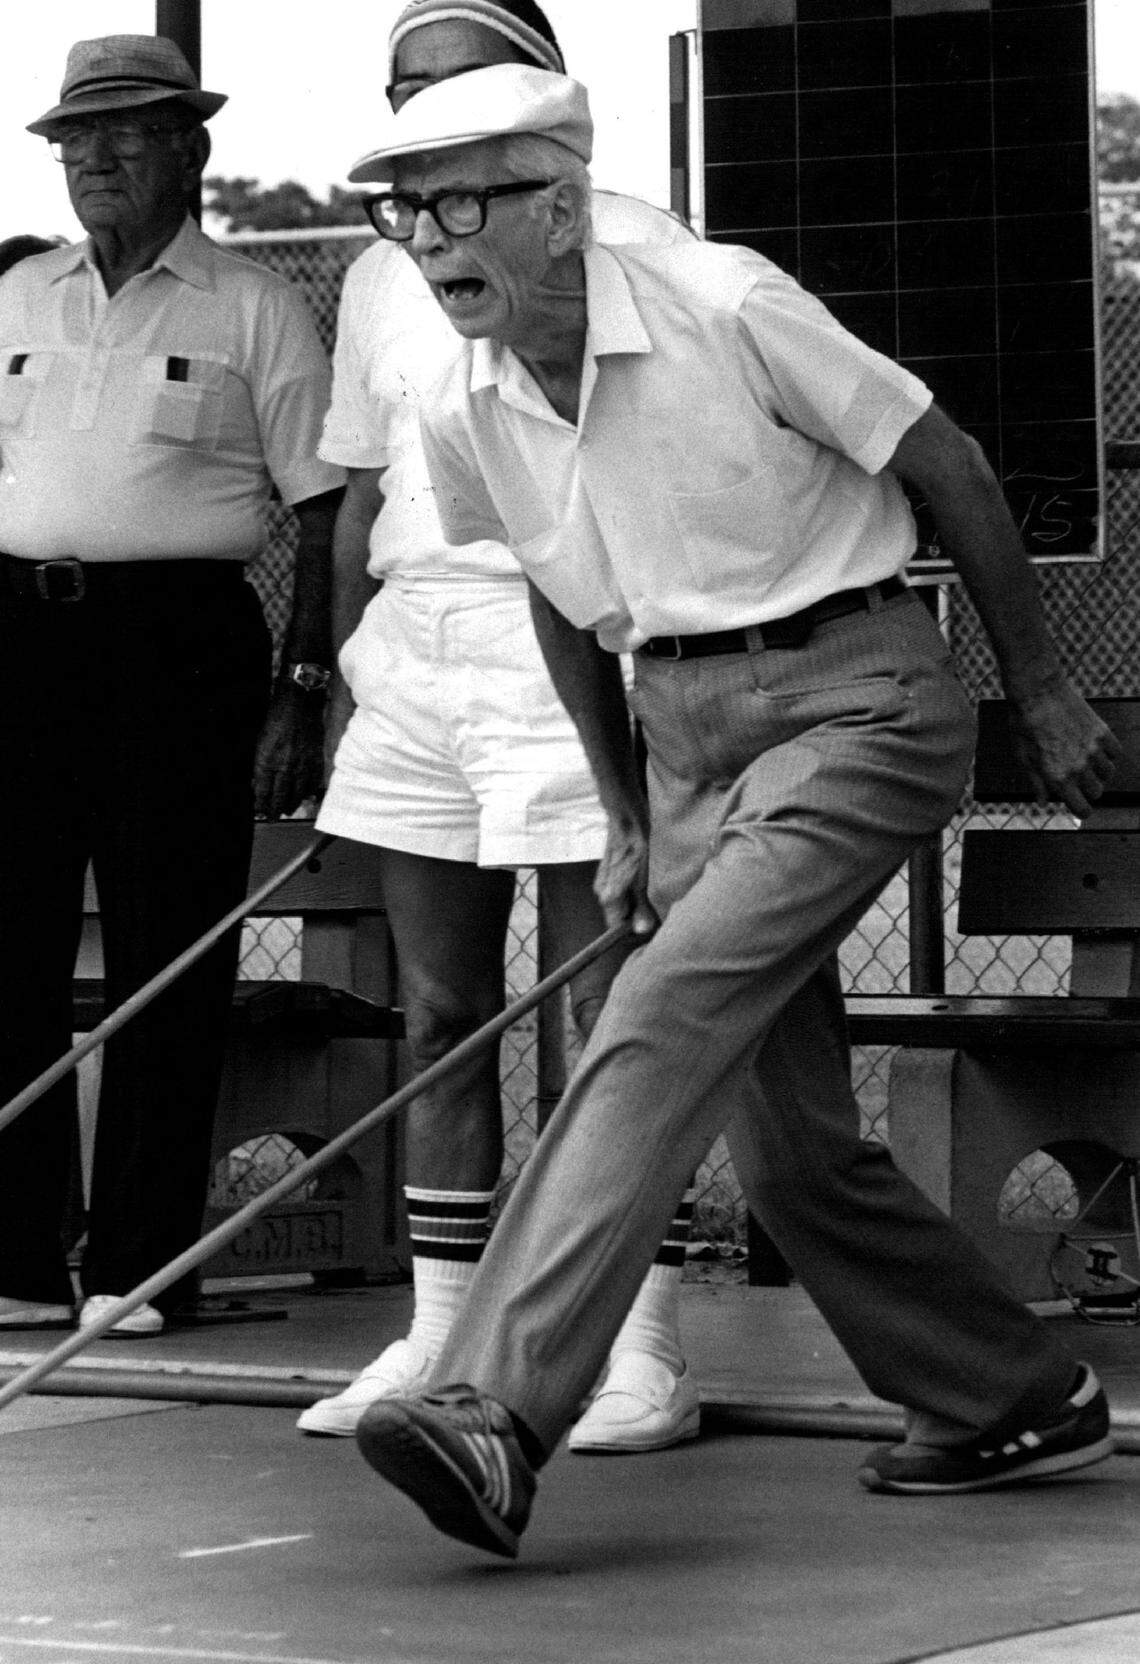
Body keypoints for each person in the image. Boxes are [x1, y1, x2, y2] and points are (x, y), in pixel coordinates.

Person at [340, 66, 1122, 1559]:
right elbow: (565, 601)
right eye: (404, 208)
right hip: (681, 735)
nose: (427, 238)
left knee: (660, 1008)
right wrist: (626, 811)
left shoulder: (724, 301)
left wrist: (1042, 688)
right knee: (787, 1148)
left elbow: (944, 460)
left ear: (564, 208)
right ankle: (1009, 1396)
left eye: (462, 200)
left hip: (857, 697)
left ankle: (494, 1408)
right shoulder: (460, 401)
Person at [298, 0, 699, 1453]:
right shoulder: (378, 272)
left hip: (573, 634)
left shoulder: (649, 243)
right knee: (441, 1009)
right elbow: (356, 491)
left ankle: (638, 1346)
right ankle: (438, 1337)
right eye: (396, 90)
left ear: (536, 102)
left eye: (446, 88)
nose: (414, 115)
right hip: (419, 647)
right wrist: (350, 663)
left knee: (611, 1011)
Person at [0, 36, 343, 1338]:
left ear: (188, 147)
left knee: (168, 961)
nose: (93, 159)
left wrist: (302, 683)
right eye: (73, 139)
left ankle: (138, 1265)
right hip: (20, 638)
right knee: (5, 953)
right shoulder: (18, 296)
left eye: (124, 133)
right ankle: (21, 1263)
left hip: (180, 649)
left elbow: (324, 513)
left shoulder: (253, 305)